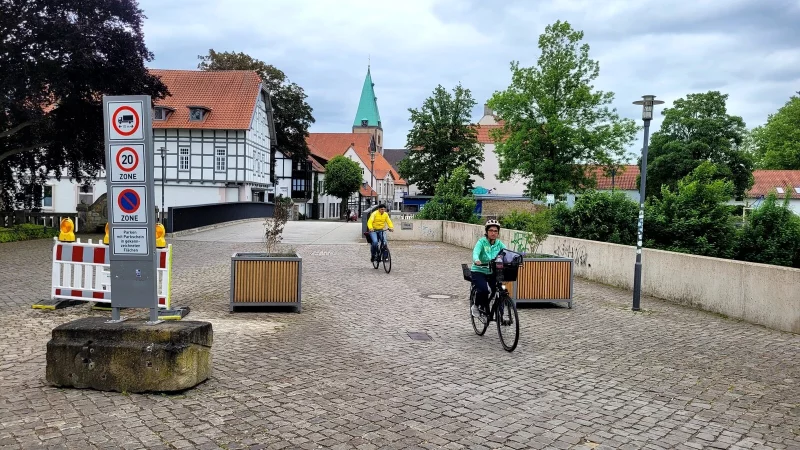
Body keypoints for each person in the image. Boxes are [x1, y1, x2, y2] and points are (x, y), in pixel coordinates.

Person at [470, 219, 506, 317]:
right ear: (486, 231)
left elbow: (507, 253)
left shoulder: (499, 244)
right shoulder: (481, 242)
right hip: (479, 270)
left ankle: (489, 306)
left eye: (495, 231)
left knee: (498, 289)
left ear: (498, 233)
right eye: (491, 230)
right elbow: (476, 252)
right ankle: (476, 306)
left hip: (493, 271)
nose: (493, 233)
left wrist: (514, 258)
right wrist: (476, 260)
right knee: (484, 290)